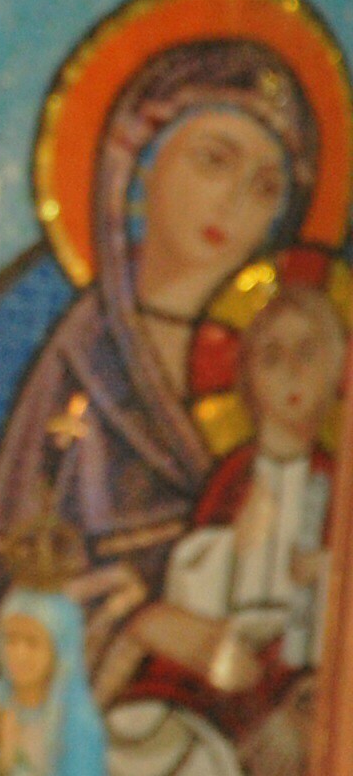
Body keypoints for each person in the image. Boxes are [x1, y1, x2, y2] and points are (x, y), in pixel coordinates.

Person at [0, 39, 318, 657]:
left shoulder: (285, 354)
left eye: (265, 187)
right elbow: (8, 569)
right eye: (214, 160)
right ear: (141, 167)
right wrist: (142, 621)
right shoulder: (85, 352)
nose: (234, 203)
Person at [96, 276, 344, 776]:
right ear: (249, 380)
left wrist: (325, 570)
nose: (291, 373)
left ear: (336, 369)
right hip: (212, 657)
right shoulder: (235, 476)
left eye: (307, 354)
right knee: (143, 729)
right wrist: (234, 545)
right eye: (272, 358)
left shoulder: (334, 480)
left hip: (291, 667)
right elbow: (190, 581)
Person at [0, 588, 106, 776]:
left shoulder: (76, 724)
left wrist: (9, 760)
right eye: (10, 639)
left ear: (59, 652)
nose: (19, 654)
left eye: (32, 642)